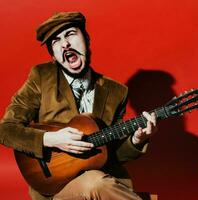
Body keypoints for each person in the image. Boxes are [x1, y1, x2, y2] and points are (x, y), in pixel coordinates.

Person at [0, 12, 157, 200]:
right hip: (55, 188)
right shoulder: (41, 77)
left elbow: (112, 155)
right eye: (56, 41)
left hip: (102, 181)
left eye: (70, 34)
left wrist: (137, 140)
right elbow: (5, 130)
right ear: (54, 55)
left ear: (87, 39)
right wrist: (50, 139)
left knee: (96, 181)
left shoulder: (116, 92)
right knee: (95, 182)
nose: (65, 44)